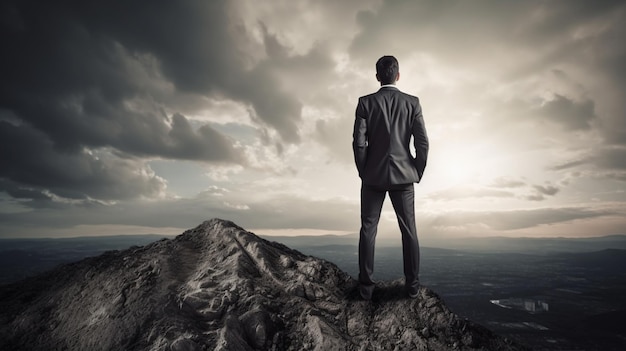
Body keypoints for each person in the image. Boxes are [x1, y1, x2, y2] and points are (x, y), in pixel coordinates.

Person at [352, 55, 429, 300]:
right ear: (398, 75)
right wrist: (416, 170)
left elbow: (359, 143)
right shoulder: (412, 103)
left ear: (377, 76)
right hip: (404, 176)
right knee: (409, 231)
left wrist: (364, 170)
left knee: (367, 229)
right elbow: (423, 143)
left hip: (372, 176)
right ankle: (413, 287)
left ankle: (365, 289)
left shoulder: (365, 103)